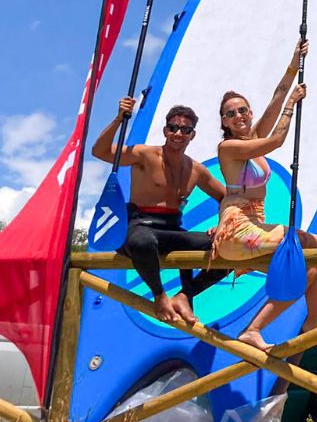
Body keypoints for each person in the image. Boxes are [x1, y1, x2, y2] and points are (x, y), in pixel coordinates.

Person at [212, 40, 317, 351]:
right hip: (237, 229)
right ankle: (254, 329)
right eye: (230, 113)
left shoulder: (251, 137)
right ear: (223, 121)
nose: (238, 115)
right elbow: (277, 140)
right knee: (302, 249)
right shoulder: (229, 148)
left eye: (242, 110)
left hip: (256, 227)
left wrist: (295, 61)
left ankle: (314, 322)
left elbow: (276, 98)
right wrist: (293, 104)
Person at [92, 99, 227, 323]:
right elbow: (101, 151)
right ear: (165, 130)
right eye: (173, 128)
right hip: (139, 225)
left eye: (185, 130)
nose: (178, 133)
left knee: (230, 248)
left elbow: (225, 197)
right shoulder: (144, 154)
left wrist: (223, 225)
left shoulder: (196, 170)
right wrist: (119, 118)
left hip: (172, 229)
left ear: (192, 135)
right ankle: (161, 296)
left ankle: (185, 295)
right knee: (142, 242)